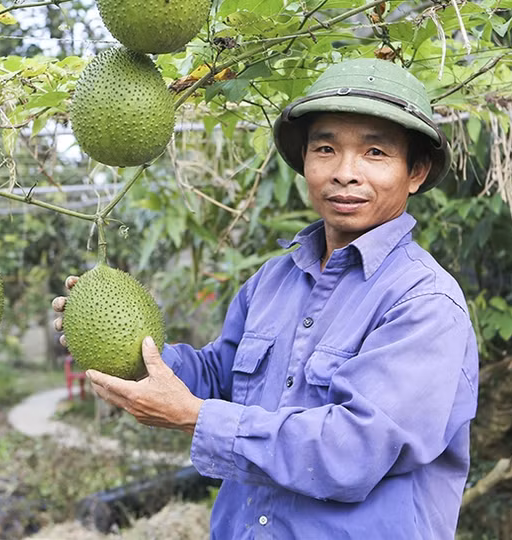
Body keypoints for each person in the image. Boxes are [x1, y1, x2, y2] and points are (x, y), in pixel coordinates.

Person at [53, 58, 479, 539]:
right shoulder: (274, 279)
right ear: (305, 164)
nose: (345, 173)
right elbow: (219, 375)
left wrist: (196, 418)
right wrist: (124, 353)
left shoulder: (424, 301)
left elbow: (353, 451)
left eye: (375, 152)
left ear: (416, 172)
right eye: (325, 149)